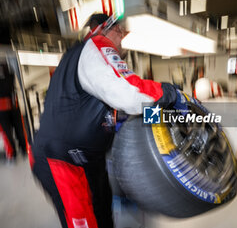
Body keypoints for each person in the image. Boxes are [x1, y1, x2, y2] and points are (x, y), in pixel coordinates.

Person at [31, 13, 186, 228]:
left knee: (102, 212)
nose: (122, 37)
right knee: (87, 222)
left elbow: (126, 112)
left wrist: (163, 116)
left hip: (89, 160)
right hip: (63, 162)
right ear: (103, 29)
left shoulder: (91, 66)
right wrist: (170, 94)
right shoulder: (96, 46)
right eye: (119, 31)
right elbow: (131, 94)